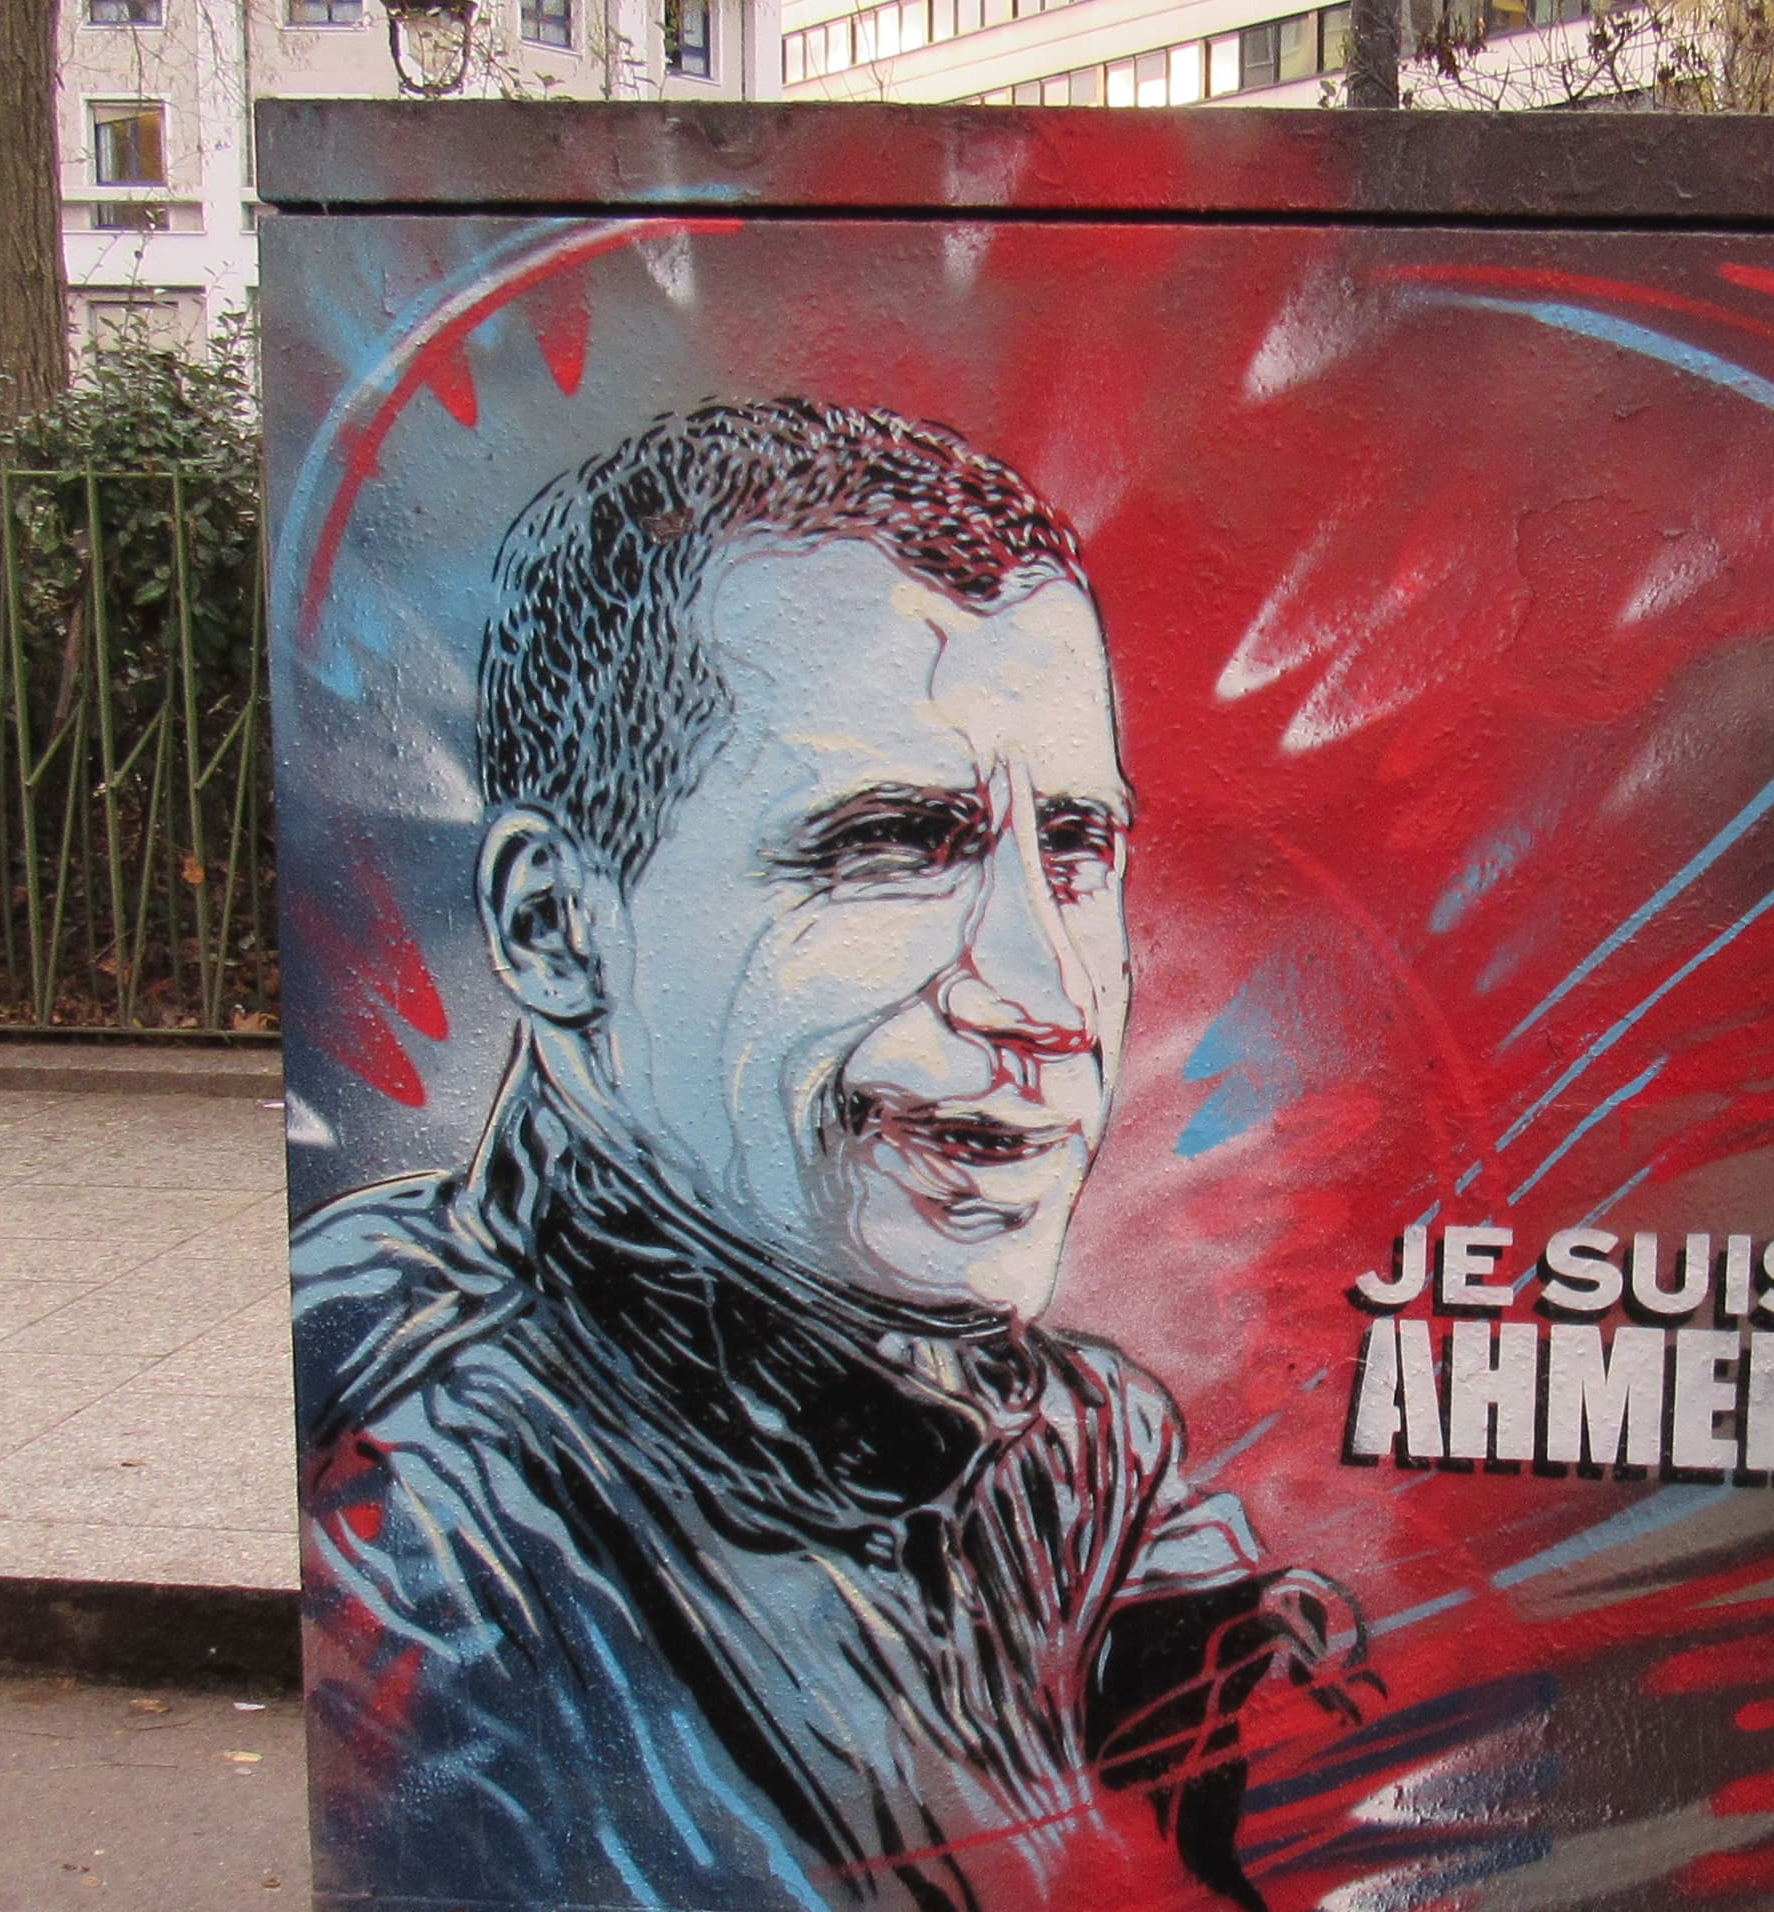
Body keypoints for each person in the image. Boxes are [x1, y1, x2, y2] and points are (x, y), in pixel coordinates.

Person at [294, 400, 1368, 1912]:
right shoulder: (422, 1505)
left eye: (1075, 847)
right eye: (893, 844)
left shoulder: (1077, 1444)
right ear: (553, 928)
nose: (1053, 993)